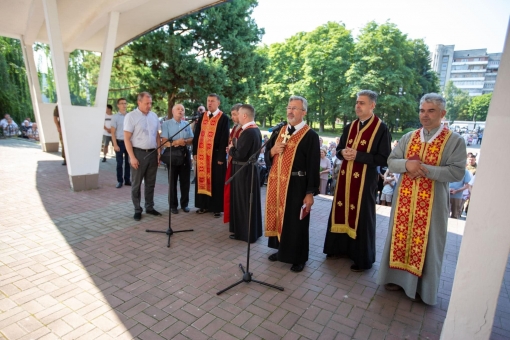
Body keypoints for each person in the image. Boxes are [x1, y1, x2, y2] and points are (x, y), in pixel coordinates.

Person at [377, 93, 466, 305]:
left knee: (429, 244)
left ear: (442, 114)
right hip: (404, 203)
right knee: (399, 239)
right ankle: (395, 279)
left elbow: (456, 173)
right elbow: (391, 161)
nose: (424, 115)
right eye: (422, 110)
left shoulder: (455, 141)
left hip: (432, 205)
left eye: (431, 111)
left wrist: (425, 170)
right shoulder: (409, 137)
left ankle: (422, 289)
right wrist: (407, 165)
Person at [323, 90, 391, 272]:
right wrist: (342, 153)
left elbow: (384, 158)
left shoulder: (381, 128)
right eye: (357, 102)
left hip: (364, 182)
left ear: (372, 105)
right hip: (345, 179)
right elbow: (339, 149)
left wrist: (359, 155)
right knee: (340, 209)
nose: (358, 106)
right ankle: (337, 248)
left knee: (362, 216)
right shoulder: (350, 126)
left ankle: (361, 258)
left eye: (362, 103)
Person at [265, 95, 320, 273]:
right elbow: (268, 154)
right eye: (289, 107)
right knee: (280, 216)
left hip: (297, 184)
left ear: (304, 112)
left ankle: (298, 257)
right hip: (277, 182)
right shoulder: (280, 131)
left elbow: (313, 166)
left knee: (296, 221)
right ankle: (281, 250)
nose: (290, 111)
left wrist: (310, 192)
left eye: (295, 108)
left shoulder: (310, 135)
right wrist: (272, 150)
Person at [124, 92, 162, 221]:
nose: (149, 105)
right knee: (136, 184)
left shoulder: (154, 116)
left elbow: (157, 136)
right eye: (147, 103)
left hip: (152, 153)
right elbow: (127, 138)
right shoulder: (131, 116)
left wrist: (158, 153)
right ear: (139, 102)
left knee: (150, 183)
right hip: (138, 153)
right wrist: (132, 157)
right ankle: (137, 209)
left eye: (150, 103)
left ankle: (149, 207)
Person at [228, 104, 263, 242]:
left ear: (244, 115)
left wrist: (231, 149)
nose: (237, 117)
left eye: (239, 114)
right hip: (249, 169)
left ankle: (245, 234)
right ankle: (251, 232)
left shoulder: (248, 132)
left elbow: (240, 154)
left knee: (243, 201)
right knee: (249, 201)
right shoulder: (255, 130)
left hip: (243, 171)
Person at [192, 94, 230, 218]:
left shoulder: (223, 118)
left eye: (212, 101)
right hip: (202, 155)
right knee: (202, 180)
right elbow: (196, 135)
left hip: (216, 155)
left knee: (216, 181)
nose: (209, 103)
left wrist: (221, 157)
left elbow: (225, 138)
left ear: (218, 103)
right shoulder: (202, 116)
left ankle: (216, 208)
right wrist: (195, 153)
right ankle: (203, 205)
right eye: (208, 101)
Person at [161, 104, 194, 214]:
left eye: (182, 109)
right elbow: (164, 141)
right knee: (172, 181)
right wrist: (176, 142)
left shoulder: (186, 124)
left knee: (185, 181)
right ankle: (173, 205)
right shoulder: (166, 124)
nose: (181, 111)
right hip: (173, 154)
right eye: (178, 109)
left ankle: (184, 204)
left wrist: (184, 141)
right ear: (173, 111)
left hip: (184, 153)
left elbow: (191, 139)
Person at [224, 103, 243, 224]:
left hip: (238, 163)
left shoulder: (245, 129)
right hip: (232, 160)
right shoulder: (235, 127)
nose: (233, 117)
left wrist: (231, 150)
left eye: (235, 114)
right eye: (232, 115)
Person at [110, 98, 130, 188]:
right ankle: (119, 181)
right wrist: (115, 144)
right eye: (122, 103)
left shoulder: (130, 116)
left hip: (129, 142)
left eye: (125, 103)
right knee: (119, 163)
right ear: (118, 105)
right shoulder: (115, 117)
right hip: (119, 142)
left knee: (128, 162)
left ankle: (127, 180)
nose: (124, 105)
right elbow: (112, 132)